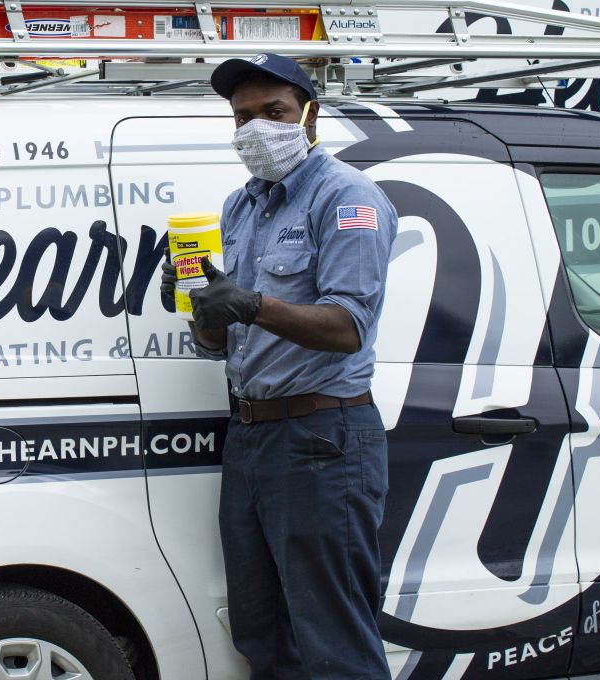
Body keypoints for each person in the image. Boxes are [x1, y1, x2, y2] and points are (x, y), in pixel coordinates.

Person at [162, 54, 397, 679]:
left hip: (322, 438)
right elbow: (218, 343)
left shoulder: (347, 196)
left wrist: (250, 302)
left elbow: (348, 326)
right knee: (262, 630)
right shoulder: (241, 207)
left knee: (334, 640)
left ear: (309, 115)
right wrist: (199, 304)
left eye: (275, 112)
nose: (257, 127)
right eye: (243, 117)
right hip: (251, 436)